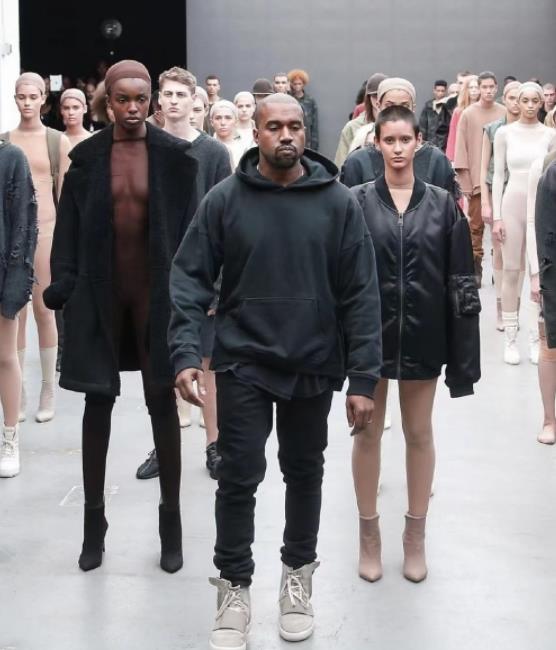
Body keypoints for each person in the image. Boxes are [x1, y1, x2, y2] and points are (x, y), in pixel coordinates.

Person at [168, 93, 381, 648]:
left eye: (294, 126)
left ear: (305, 133)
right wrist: (186, 353)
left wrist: (363, 378)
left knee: (305, 473)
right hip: (243, 361)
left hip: (313, 361)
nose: (286, 135)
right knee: (238, 477)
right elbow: (189, 279)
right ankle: (234, 587)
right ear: (256, 132)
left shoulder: (338, 203)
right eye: (274, 126)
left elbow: (361, 293)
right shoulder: (225, 199)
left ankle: (297, 579)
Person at [42, 59, 198, 573]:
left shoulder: (176, 158)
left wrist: (199, 293)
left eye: (140, 99)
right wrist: (64, 282)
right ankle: (94, 523)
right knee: (98, 402)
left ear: (151, 100)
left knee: (161, 401)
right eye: (122, 99)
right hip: (99, 294)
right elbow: (68, 227)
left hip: (158, 296)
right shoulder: (86, 159)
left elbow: (193, 232)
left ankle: (171, 524)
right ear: (107, 103)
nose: (132, 108)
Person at [351, 105, 480, 584]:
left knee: (419, 432)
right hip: (370, 337)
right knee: (367, 434)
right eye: (389, 140)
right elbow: (341, 277)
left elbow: (462, 283)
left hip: (424, 334)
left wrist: (463, 361)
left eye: (405, 140)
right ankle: (368, 535)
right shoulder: (357, 202)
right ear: (377, 144)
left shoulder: (443, 205)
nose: (398, 148)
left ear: (419, 142)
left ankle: (415, 535)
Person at [136, 66, 232, 482]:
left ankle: (215, 444)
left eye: (181, 94)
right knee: (161, 363)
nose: (174, 100)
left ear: (195, 101)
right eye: (168, 94)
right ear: (159, 99)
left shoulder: (213, 154)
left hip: (203, 273)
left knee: (208, 363)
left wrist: (219, 286)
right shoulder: (146, 147)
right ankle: (164, 444)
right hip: (155, 272)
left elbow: (227, 220)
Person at [2, 73, 72, 424]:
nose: (27, 102)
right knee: (14, 311)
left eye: (33, 96)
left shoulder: (56, 140)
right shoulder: (5, 141)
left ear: (44, 98)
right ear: (15, 98)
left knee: (45, 310)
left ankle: (47, 388)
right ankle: (19, 390)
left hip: (47, 232)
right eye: (21, 96)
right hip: (13, 237)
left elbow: (67, 195)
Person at [492, 82, 556, 365]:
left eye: (535, 100)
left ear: (542, 103)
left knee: (537, 270)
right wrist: (497, 215)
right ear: (516, 101)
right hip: (512, 203)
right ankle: (510, 337)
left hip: (540, 204)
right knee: (510, 270)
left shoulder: (550, 135)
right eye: (524, 100)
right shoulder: (504, 133)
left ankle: (534, 337)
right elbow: (497, 175)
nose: (530, 105)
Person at [341, 78, 459, 200]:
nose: (396, 113)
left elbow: (447, 206)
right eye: (389, 106)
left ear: (413, 108)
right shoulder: (359, 161)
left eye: (404, 106)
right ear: (378, 106)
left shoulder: (435, 160)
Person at [0, 138, 38, 478]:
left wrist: (16, 283)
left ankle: (10, 436)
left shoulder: (11, 158)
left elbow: (24, 225)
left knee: (5, 356)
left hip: (3, 274)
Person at [454, 71, 505, 286]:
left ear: (497, 88)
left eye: (492, 87)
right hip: (476, 179)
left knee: (501, 225)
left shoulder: (503, 112)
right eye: (484, 87)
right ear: (478, 88)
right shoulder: (468, 114)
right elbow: (461, 148)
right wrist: (465, 181)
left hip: (502, 179)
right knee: (475, 227)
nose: (488, 91)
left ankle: (498, 266)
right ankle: (476, 268)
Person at [480, 80, 521, 331]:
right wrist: (485, 202)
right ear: (504, 99)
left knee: (521, 255)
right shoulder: (493, 129)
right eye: (512, 97)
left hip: (522, 194)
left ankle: (514, 308)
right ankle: (500, 308)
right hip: (498, 194)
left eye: (520, 97)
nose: (516, 103)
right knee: (499, 250)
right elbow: (484, 169)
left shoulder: (533, 129)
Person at [533, 150, 556, 443]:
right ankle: (550, 419)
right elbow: (538, 224)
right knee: (550, 346)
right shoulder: (551, 171)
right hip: (552, 272)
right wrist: (538, 275)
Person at [334, 73, 387, 168]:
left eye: (383, 96)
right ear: (369, 98)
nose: (379, 100)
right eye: (375, 96)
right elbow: (341, 164)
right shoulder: (352, 127)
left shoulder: (399, 124)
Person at [445, 75, 479, 162]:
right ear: (466, 90)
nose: (474, 90)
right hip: (462, 153)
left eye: (477, 87)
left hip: (480, 153)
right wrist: (451, 159)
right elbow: (453, 136)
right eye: (471, 87)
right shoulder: (458, 111)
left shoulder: (485, 110)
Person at [211, 99, 248, 170]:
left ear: (236, 121)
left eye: (228, 118)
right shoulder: (206, 147)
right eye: (218, 118)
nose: (223, 123)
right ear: (212, 122)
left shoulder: (243, 148)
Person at [288, 69, 319, 150]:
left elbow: (314, 124)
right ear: (291, 84)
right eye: (295, 84)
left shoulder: (310, 101)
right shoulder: (288, 99)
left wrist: (314, 145)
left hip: (306, 140)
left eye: (299, 84)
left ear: (304, 84)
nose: (297, 86)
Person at [418, 79, 448, 148]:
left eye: (442, 91)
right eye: (438, 91)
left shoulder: (448, 107)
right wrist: (423, 143)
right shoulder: (428, 107)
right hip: (430, 144)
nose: (440, 93)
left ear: (446, 92)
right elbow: (422, 126)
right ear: (434, 91)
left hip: (445, 145)